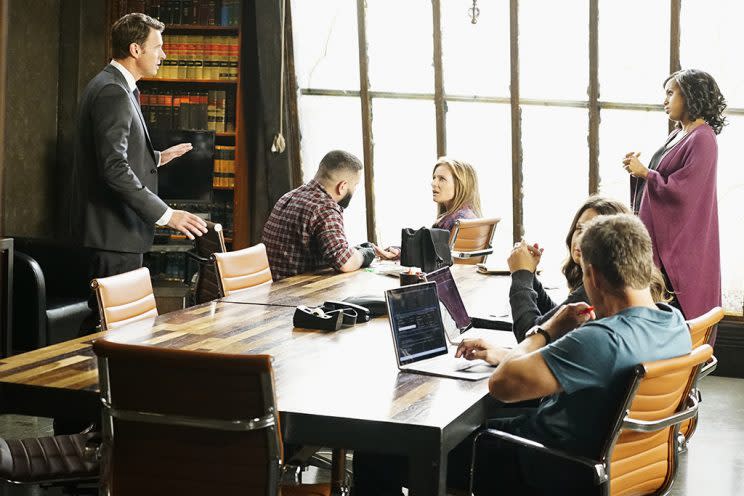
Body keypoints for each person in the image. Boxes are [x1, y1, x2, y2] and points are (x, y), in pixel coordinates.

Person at [352, 214, 692, 495]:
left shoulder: (602, 340)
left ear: (592, 275)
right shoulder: (673, 321)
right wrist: (506, 352)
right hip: (611, 466)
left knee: (380, 448)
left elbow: (502, 385)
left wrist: (547, 331)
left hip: (540, 466)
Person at [69, 13, 207, 308]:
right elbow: (113, 167)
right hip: (113, 237)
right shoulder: (113, 91)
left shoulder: (115, 85)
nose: (163, 54)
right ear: (136, 49)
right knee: (109, 330)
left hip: (114, 236)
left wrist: (154, 158)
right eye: (157, 47)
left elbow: (109, 155)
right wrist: (168, 215)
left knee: (112, 328)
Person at [623, 69, 725, 321]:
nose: (664, 101)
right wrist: (640, 172)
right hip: (666, 241)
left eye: (670, 93)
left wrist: (647, 174)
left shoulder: (703, 138)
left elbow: (685, 194)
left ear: (690, 95)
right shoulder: (679, 133)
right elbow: (665, 179)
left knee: (676, 315)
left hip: (683, 249)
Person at [508, 196, 631, 341]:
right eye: (579, 228)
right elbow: (557, 320)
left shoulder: (599, 288)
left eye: (592, 232)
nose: (580, 239)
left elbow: (528, 337)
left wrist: (521, 274)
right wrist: (531, 275)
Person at [262, 150, 381, 280]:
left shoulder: (289, 196)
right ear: (342, 186)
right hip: (298, 295)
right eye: (355, 185)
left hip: (273, 291)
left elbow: (334, 251)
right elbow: (343, 262)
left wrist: (359, 249)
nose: (354, 190)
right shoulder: (325, 207)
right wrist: (367, 254)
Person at [380, 157, 483, 259]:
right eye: (434, 178)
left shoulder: (455, 221)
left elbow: (433, 260)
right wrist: (398, 252)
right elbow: (429, 252)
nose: (433, 183)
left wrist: (400, 254)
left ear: (460, 185)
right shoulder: (469, 217)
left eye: (442, 179)